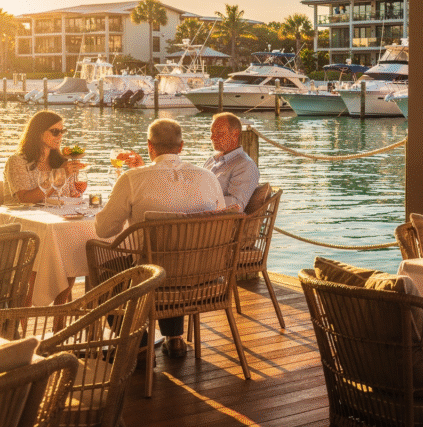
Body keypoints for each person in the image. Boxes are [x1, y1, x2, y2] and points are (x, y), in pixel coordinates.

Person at [95, 118, 225, 358]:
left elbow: (104, 230)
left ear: (149, 146)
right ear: (181, 146)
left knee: (104, 276)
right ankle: (175, 338)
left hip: (153, 278)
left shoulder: (132, 179)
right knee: (175, 256)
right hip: (203, 276)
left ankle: (142, 343)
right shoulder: (208, 178)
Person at [4, 110, 86, 204]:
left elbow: (74, 196)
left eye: (62, 131)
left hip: (61, 216)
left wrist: (77, 188)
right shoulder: (17, 161)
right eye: (55, 132)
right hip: (26, 217)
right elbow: (25, 200)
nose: (60, 136)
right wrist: (57, 177)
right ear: (39, 133)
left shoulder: (63, 162)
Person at [204, 112, 259, 209]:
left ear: (235, 133)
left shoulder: (245, 165)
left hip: (216, 221)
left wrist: (199, 201)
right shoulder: (211, 161)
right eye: (212, 132)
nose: (212, 137)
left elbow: (236, 205)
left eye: (218, 133)